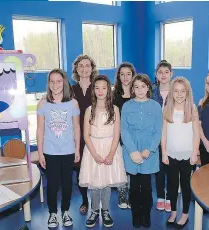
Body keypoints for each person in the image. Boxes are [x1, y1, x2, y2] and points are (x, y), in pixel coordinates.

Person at [79, 75, 127, 228]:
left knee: (106, 182)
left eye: (104, 88)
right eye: (97, 88)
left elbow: (116, 133)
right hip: (93, 149)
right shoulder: (89, 110)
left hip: (110, 148)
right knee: (95, 182)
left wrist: (111, 154)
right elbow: (86, 135)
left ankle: (105, 210)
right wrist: (94, 154)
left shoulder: (115, 109)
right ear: (93, 90)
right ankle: (94, 210)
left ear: (109, 90)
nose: (100, 91)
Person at [37, 69, 80, 228]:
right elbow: (40, 129)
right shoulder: (42, 103)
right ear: (48, 83)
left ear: (65, 82)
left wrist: (77, 149)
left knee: (67, 183)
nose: (55, 84)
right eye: (52, 81)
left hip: (68, 150)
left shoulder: (73, 103)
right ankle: (53, 213)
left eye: (59, 81)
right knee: (53, 184)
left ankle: (65, 211)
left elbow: (76, 127)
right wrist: (40, 152)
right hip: (50, 151)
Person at [121, 74, 162, 228]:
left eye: (143, 86)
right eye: (136, 87)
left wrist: (149, 150)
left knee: (146, 187)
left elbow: (158, 131)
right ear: (132, 89)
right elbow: (124, 130)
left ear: (148, 88)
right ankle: (136, 215)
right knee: (133, 187)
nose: (140, 90)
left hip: (148, 153)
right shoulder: (127, 106)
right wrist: (132, 151)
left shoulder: (155, 106)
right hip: (131, 151)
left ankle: (146, 213)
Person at [161, 77, 199, 229]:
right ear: (171, 92)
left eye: (182, 91)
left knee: (185, 185)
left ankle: (185, 214)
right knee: (171, 185)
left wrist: (195, 152)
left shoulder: (192, 109)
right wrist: (164, 152)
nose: (179, 94)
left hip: (187, 155)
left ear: (187, 93)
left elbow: (196, 133)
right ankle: (173, 212)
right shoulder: (167, 109)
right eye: (176, 91)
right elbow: (163, 133)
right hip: (171, 154)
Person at [71, 54, 98, 215]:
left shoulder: (98, 87)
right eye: (81, 66)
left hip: (95, 135)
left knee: (96, 170)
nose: (84, 69)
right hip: (77, 136)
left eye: (87, 65)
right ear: (76, 69)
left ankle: (97, 204)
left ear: (92, 68)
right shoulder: (70, 90)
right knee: (81, 169)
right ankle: (85, 201)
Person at [112, 62, 136, 209]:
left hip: (135, 137)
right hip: (119, 137)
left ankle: (133, 194)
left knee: (133, 166)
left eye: (128, 74)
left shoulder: (139, 93)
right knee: (121, 166)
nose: (125, 77)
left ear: (133, 75)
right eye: (122, 74)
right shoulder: (114, 96)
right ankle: (122, 193)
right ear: (119, 77)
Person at [151, 60, 173, 212]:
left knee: (171, 168)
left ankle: (170, 196)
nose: (163, 75)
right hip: (156, 135)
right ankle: (160, 195)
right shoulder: (151, 92)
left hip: (173, 135)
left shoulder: (177, 90)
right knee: (159, 168)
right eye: (160, 72)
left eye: (166, 72)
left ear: (171, 74)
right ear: (156, 75)